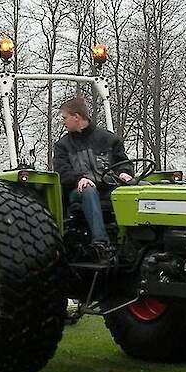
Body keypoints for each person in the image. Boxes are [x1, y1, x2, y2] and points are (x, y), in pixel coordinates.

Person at [53, 97, 132, 256]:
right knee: (89, 189)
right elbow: (62, 171)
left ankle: (133, 242)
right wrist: (79, 178)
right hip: (79, 190)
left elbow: (123, 161)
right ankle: (101, 244)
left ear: (76, 117)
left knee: (137, 190)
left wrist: (125, 173)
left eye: (65, 118)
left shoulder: (108, 139)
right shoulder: (63, 145)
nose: (63, 122)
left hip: (108, 187)